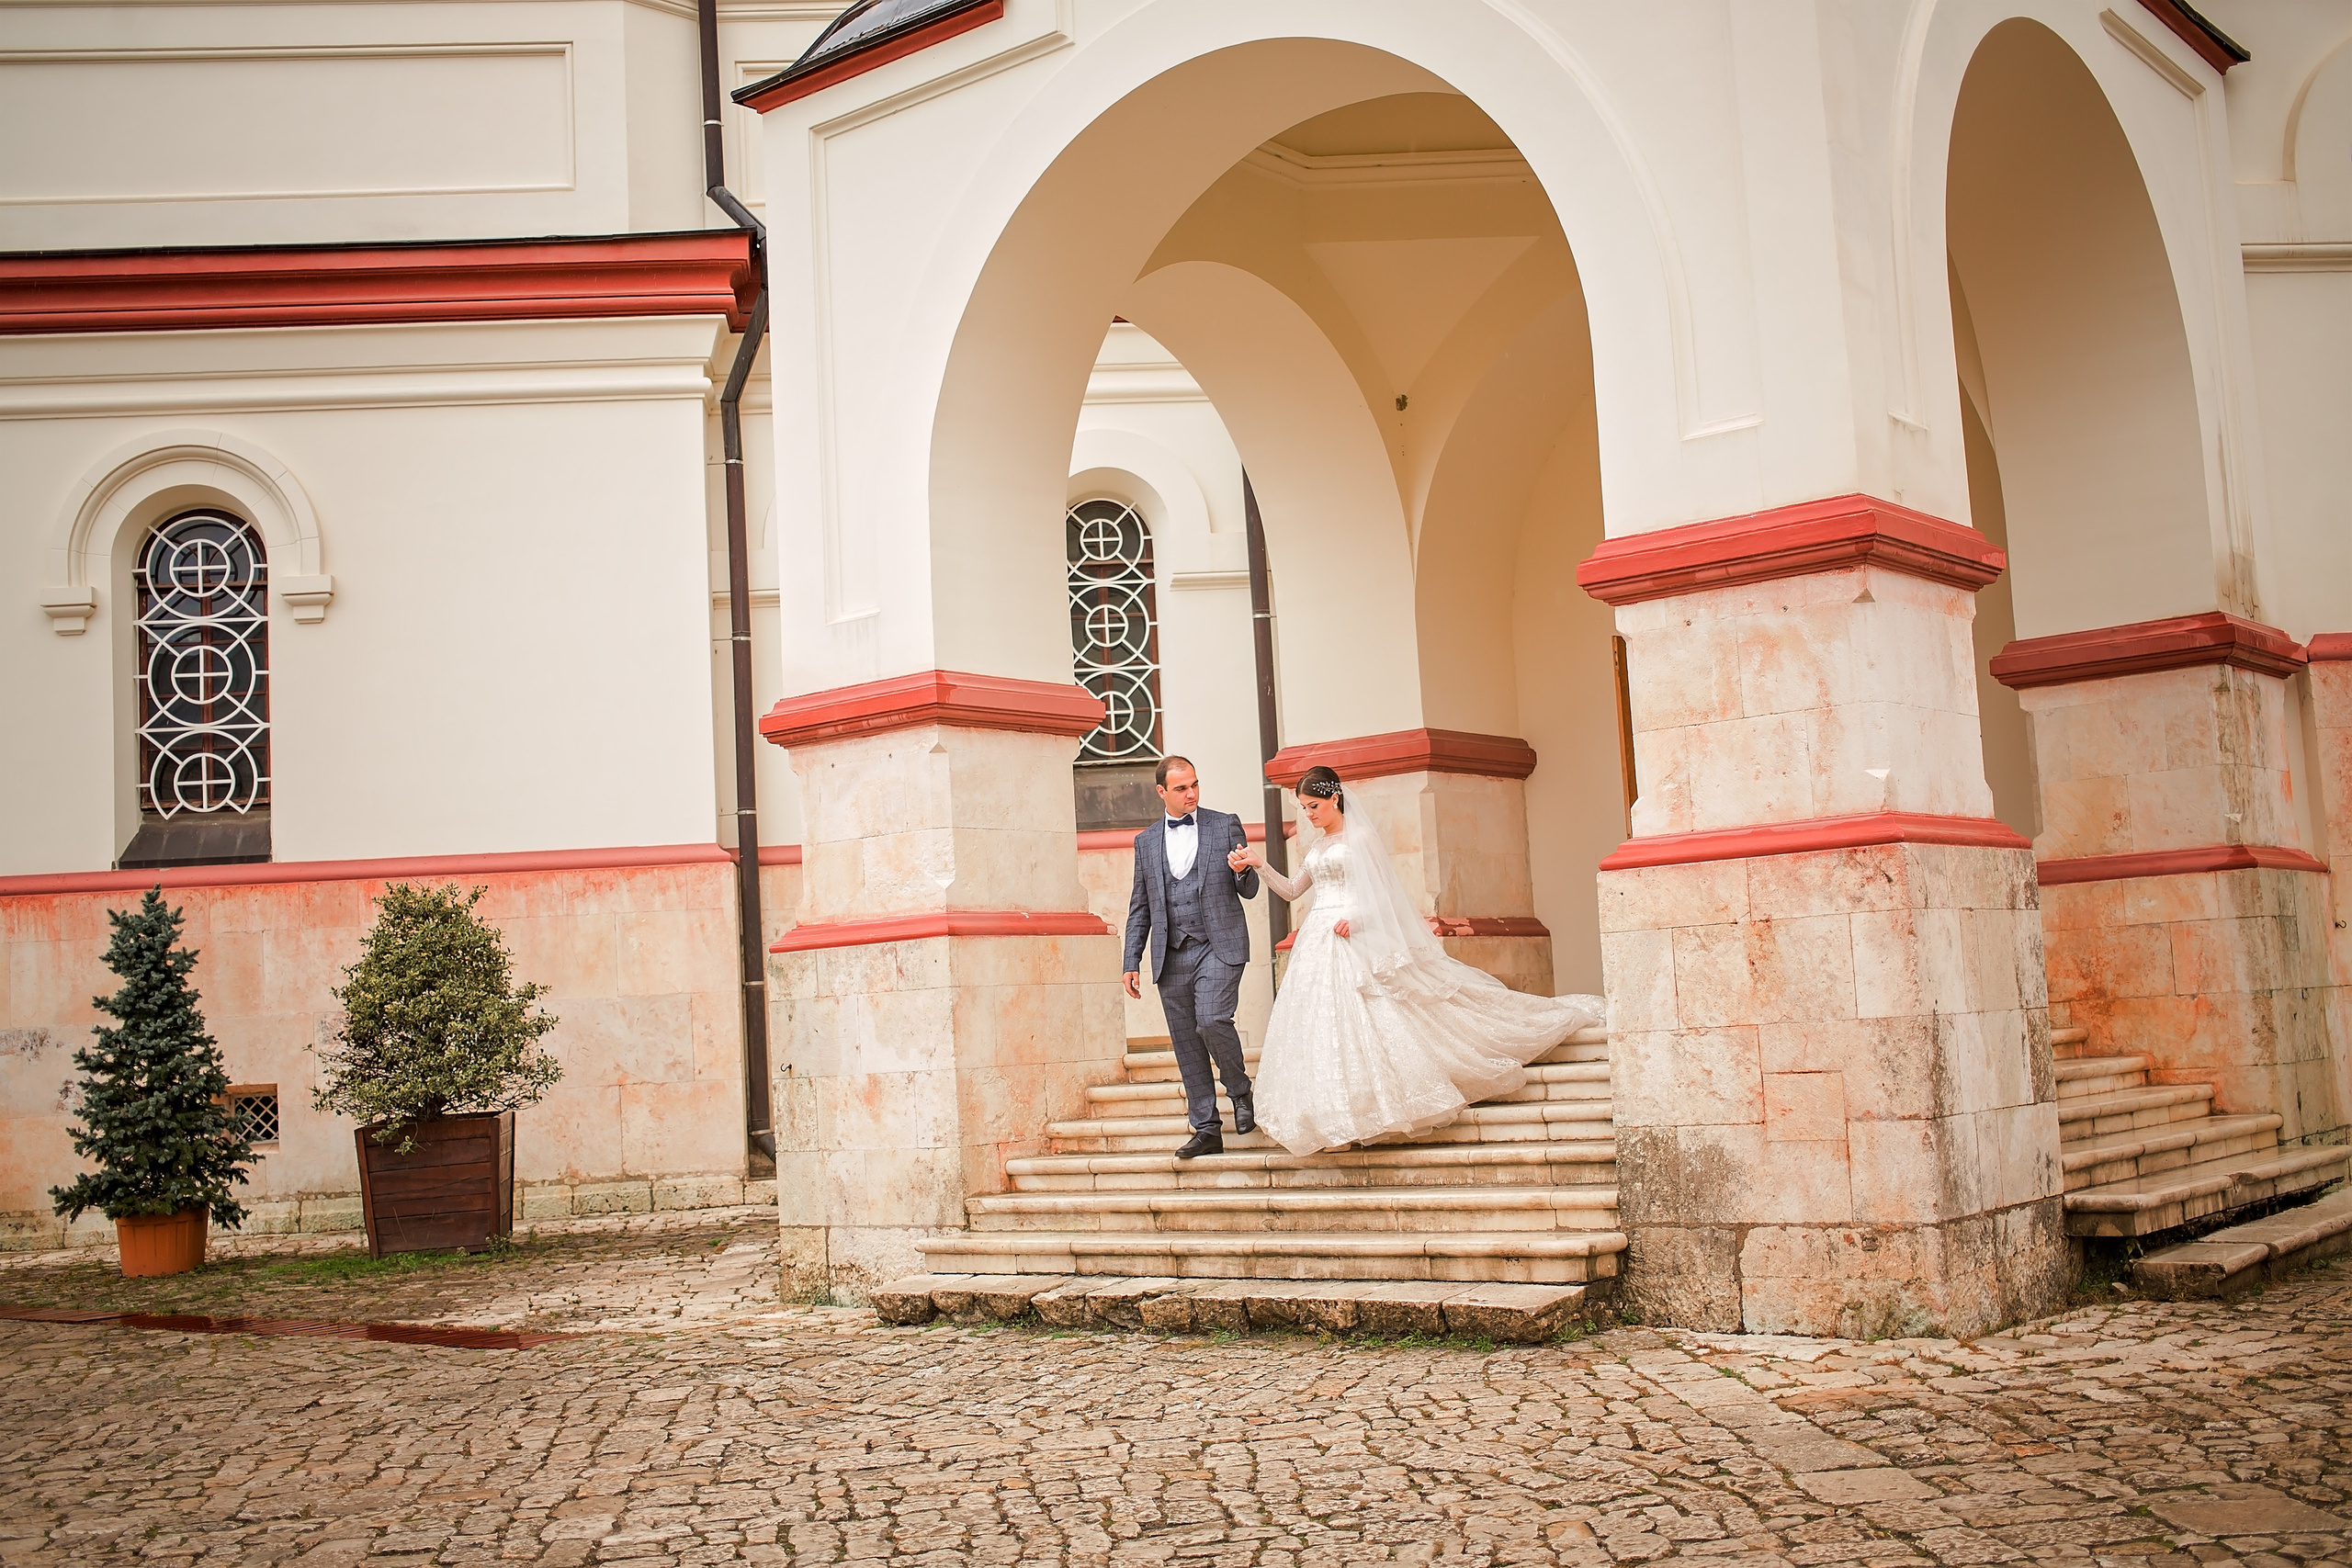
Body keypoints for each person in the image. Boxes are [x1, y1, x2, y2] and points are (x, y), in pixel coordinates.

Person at [1227, 765, 1606, 1156]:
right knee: (1324, 1025)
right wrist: (1258, 863)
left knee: (1375, 1015)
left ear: (1334, 798)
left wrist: (1358, 917)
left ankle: (1372, 1107)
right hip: (1318, 940)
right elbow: (1291, 891)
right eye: (1304, 808)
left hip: (1354, 935)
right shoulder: (1317, 847)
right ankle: (1337, 1115)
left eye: (1313, 806)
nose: (1309, 814)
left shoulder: (1361, 838)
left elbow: (1387, 894)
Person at [1122, 755, 1259, 1158]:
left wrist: (1241, 870)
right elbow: (1140, 905)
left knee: (1212, 1019)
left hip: (1219, 943)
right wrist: (1132, 959)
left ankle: (1240, 1090)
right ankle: (1206, 1129)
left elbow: (1248, 888)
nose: (1192, 794)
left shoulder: (1224, 823)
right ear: (1162, 791)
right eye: (1182, 788)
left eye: (1195, 785)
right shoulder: (1145, 841)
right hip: (1171, 952)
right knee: (1186, 1042)